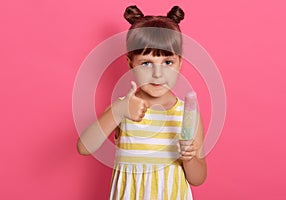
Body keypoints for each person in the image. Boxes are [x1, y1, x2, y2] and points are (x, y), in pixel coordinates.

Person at [77, 5, 207, 199]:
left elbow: (198, 178)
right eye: (146, 63)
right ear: (131, 64)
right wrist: (119, 111)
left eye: (168, 62)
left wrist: (189, 159)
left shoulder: (186, 114)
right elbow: (84, 147)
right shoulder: (123, 107)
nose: (157, 73)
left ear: (180, 62)